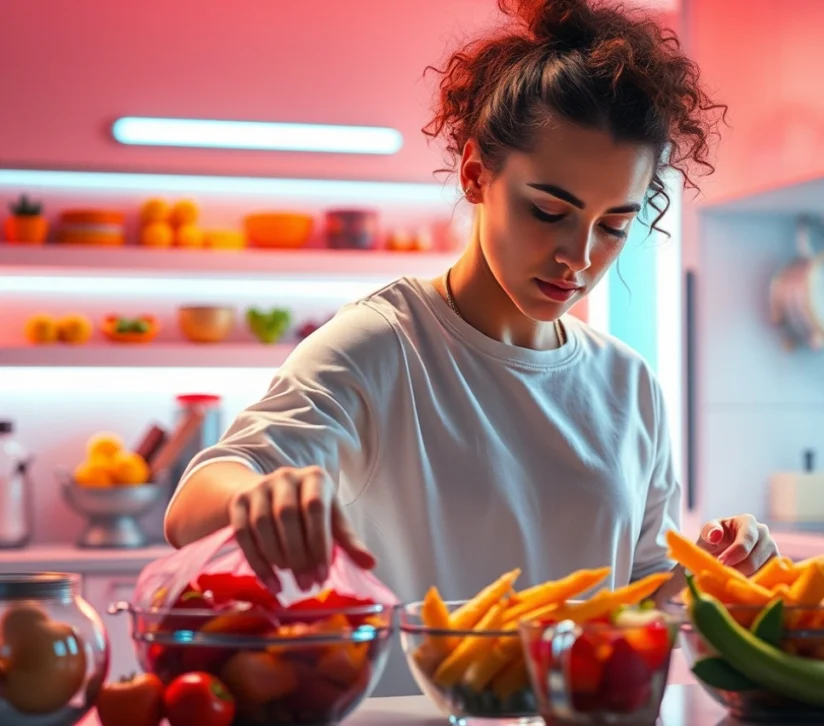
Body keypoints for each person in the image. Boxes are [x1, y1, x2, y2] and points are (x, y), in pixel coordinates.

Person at [164, 0, 779, 696]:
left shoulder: (628, 386)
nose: (578, 257)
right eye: (549, 210)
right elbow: (192, 504)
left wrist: (713, 575)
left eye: (613, 225)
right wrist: (264, 495)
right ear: (475, 174)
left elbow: (640, 605)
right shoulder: (383, 345)